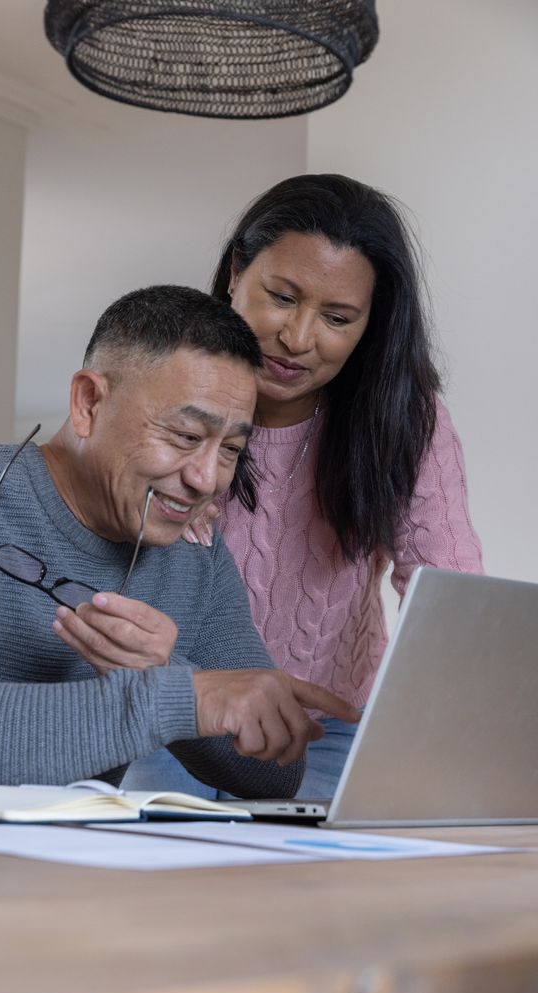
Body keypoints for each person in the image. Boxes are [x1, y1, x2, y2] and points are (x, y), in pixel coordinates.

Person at [0, 284, 358, 793]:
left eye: (230, 450)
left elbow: (273, 771)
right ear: (88, 403)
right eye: (186, 436)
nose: (206, 478)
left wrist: (167, 677)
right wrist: (182, 698)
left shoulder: (195, 554)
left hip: (60, 873)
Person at [122, 175, 483, 798]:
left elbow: (451, 596)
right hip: (179, 724)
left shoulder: (404, 423)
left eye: (337, 318)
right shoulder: (164, 388)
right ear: (237, 270)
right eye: (282, 296)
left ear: (372, 323)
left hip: (331, 736)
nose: (297, 339)